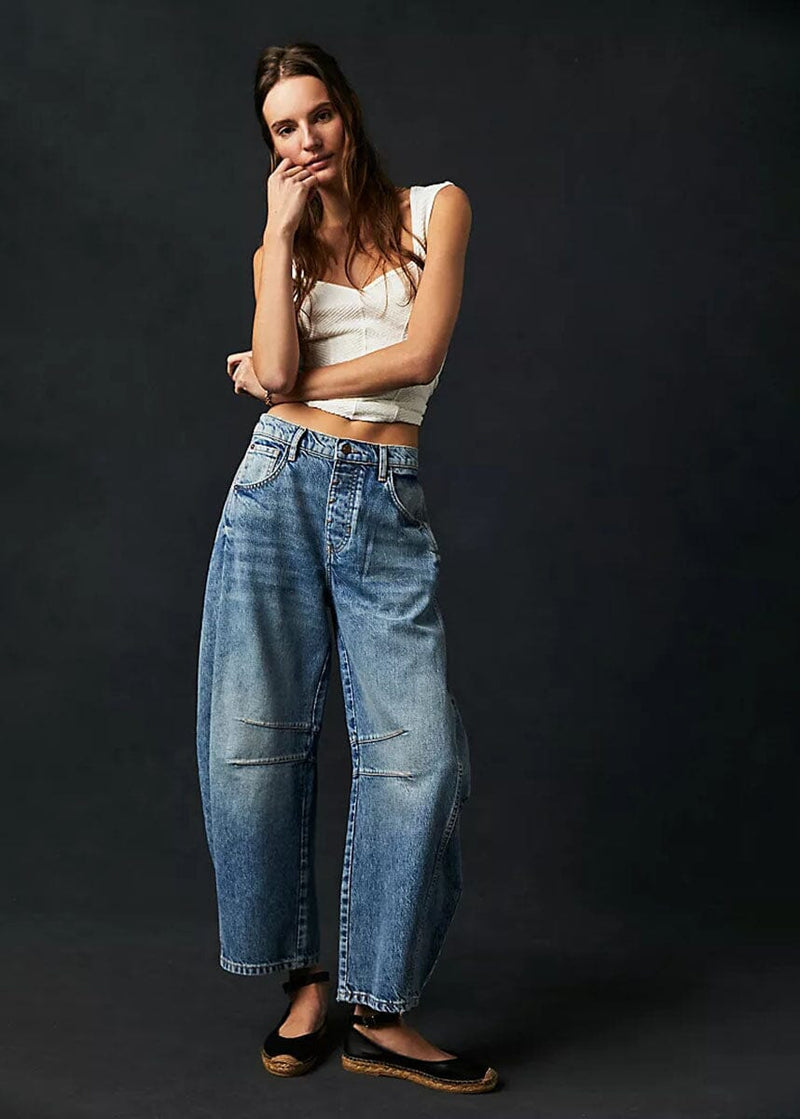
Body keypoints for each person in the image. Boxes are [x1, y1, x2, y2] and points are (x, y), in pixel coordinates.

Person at [196, 41, 498, 1094]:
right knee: (250, 744)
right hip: (274, 488)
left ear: (346, 112)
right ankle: (306, 980)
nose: (306, 139)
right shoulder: (273, 252)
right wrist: (277, 237)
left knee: (421, 757)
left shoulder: (434, 210)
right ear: (270, 144)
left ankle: (381, 1010)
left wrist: (279, 379)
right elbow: (275, 370)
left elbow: (419, 357)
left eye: (316, 114)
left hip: (382, 496)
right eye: (283, 127)